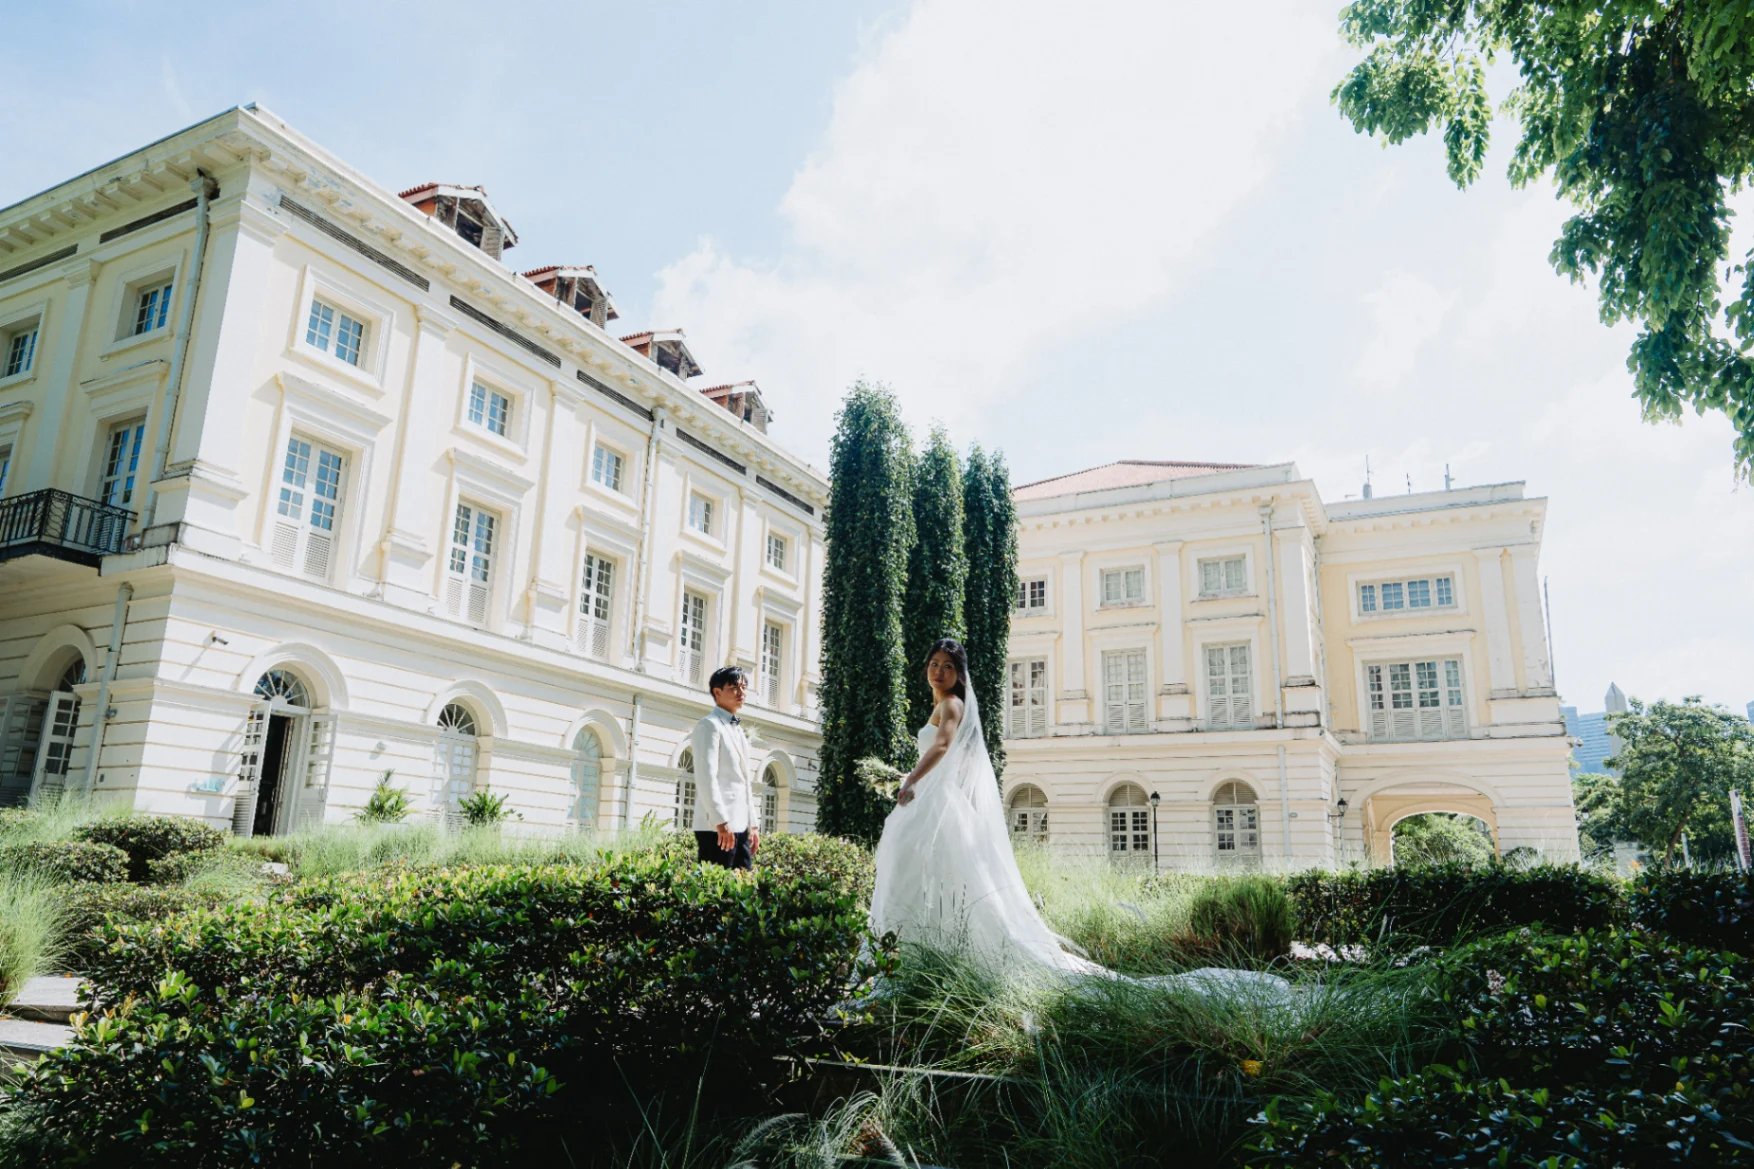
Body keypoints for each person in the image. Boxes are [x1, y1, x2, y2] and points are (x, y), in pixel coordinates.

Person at [870, 638, 1103, 976]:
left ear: (959, 675)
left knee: (913, 874)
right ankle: (913, 953)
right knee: (921, 877)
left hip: (938, 803)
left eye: (948, 666)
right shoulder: (941, 705)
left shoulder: (951, 705)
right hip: (936, 797)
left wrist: (910, 781)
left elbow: (942, 746)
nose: (939, 671)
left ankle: (910, 956)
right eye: (934, 663)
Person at [691, 665, 757, 870]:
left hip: (739, 825)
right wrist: (720, 821)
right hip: (716, 827)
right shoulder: (709, 725)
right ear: (717, 692)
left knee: (743, 888)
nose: (741, 692)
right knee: (716, 893)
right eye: (734, 687)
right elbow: (706, 778)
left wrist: (752, 825)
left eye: (744, 687)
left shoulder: (737, 730)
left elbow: (745, 784)